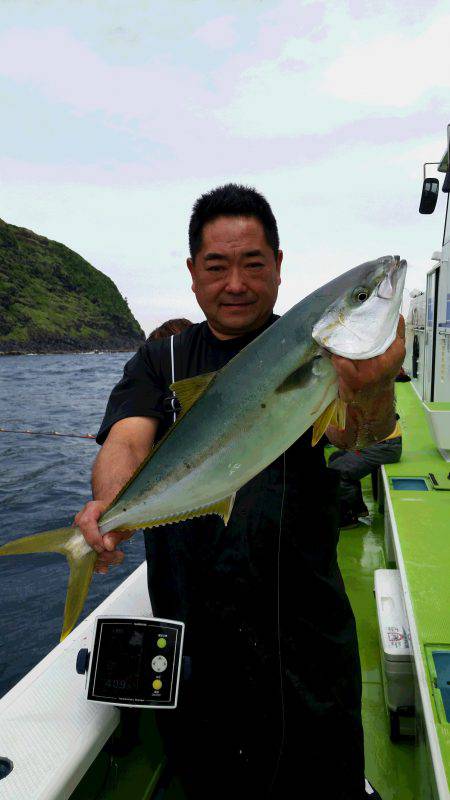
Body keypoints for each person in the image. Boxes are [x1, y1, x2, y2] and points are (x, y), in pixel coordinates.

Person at [74, 184, 405, 799]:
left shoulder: (318, 348)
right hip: (197, 645)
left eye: (254, 264)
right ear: (193, 275)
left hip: (306, 638)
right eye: (217, 266)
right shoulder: (161, 361)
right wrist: (112, 506)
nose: (236, 283)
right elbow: (125, 441)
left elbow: (360, 429)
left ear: (279, 267)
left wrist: (375, 386)